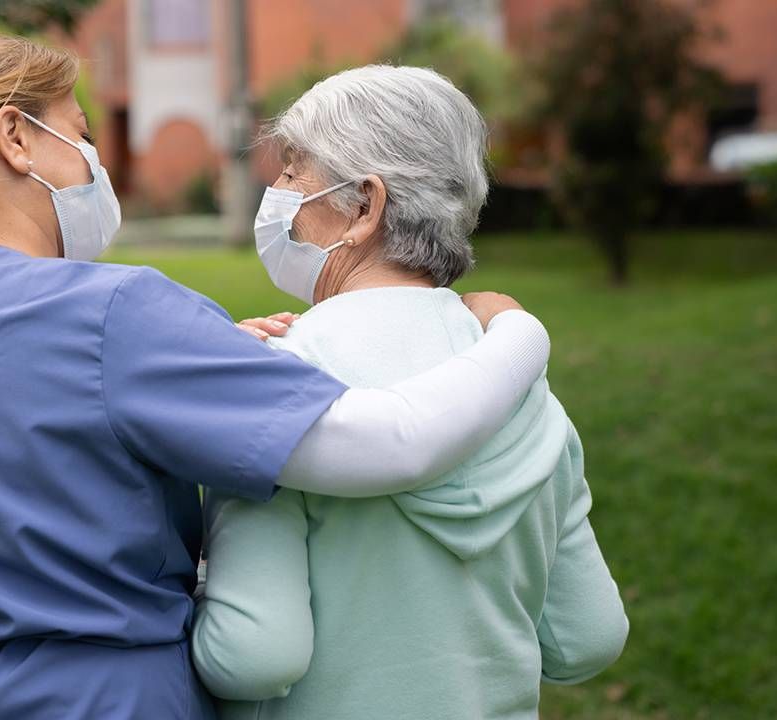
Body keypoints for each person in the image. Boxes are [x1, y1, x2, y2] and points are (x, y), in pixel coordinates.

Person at [0, 36, 551, 719]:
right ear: (15, 137)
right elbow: (393, 445)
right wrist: (517, 334)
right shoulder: (115, 314)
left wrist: (190, 362)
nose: (95, 163)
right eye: (84, 135)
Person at [192, 65, 628, 720]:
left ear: (364, 205)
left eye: (291, 172)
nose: (275, 192)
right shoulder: (521, 390)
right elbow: (588, 638)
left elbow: (257, 654)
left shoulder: (276, 385)